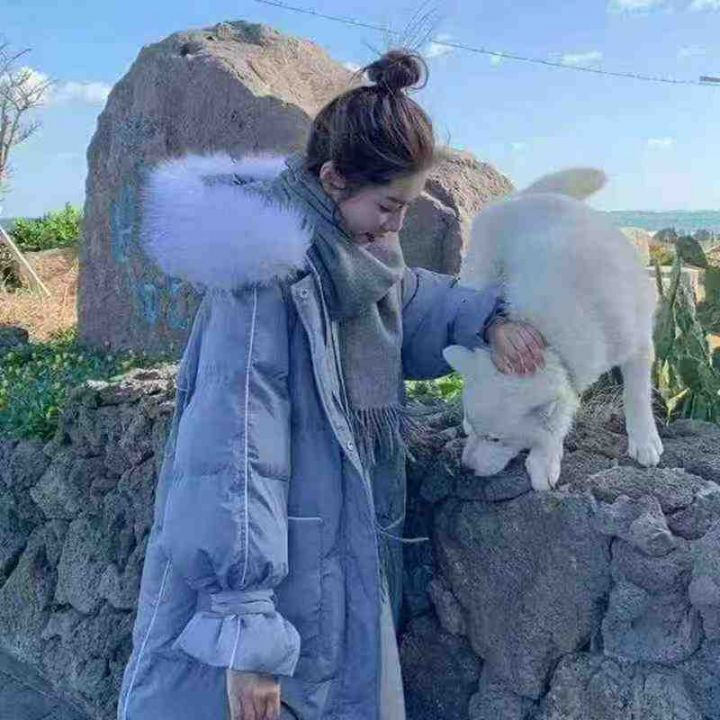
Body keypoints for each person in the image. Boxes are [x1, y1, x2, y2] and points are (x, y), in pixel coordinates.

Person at [116, 48, 546, 720]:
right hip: (276, 577)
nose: (396, 226)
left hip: (336, 553)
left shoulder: (357, 256)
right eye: (389, 205)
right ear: (334, 178)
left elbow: (411, 303)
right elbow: (234, 457)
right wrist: (248, 635)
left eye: (406, 208)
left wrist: (489, 320)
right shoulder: (263, 281)